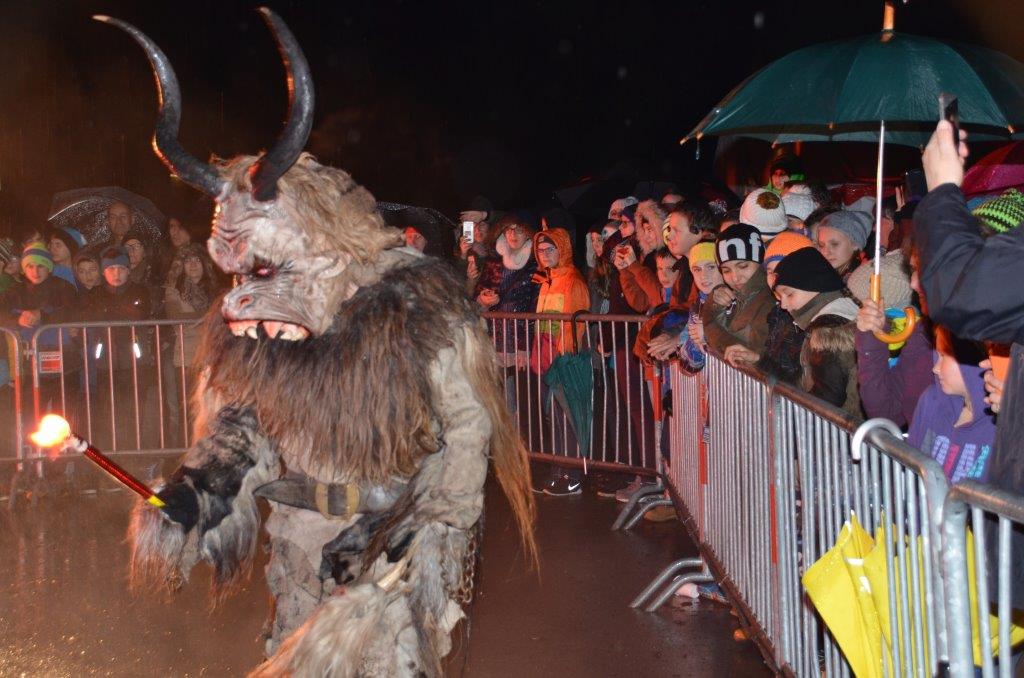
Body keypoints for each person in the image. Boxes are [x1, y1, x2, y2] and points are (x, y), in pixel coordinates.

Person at [529, 228, 590, 496]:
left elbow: (574, 326)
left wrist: (562, 358)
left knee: (568, 416)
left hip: (563, 360)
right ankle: (558, 470)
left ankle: (572, 474)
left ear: (562, 249)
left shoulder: (573, 281)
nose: (544, 255)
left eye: (550, 249)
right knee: (553, 416)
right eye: (540, 250)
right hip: (547, 358)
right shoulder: (547, 280)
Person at [772, 247, 861, 415]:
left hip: (843, 426)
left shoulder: (828, 331)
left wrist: (788, 412)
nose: (783, 305)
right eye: (779, 297)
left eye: (789, 294)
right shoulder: (845, 310)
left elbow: (827, 396)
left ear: (814, 285)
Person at [849, 250, 932, 428]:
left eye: (924, 270)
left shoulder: (981, 341)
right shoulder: (922, 335)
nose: (913, 283)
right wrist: (871, 337)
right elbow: (887, 414)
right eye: (913, 270)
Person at [908, 327, 995, 484]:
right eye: (937, 355)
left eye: (943, 356)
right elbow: (908, 470)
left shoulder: (999, 425)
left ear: (969, 360)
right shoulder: (931, 401)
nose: (935, 368)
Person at [162, 243, 221, 445]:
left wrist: (202, 316)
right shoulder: (174, 291)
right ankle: (185, 448)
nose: (193, 264)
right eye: (188, 261)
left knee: (212, 408)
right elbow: (175, 317)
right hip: (186, 357)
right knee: (187, 408)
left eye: (197, 260)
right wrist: (209, 314)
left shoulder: (214, 290)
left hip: (211, 356)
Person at [702, 224, 774, 367]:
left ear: (761, 262)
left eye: (743, 266)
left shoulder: (771, 299)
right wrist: (715, 304)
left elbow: (754, 353)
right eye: (726, 270)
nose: (735, 278)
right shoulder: (732, 296)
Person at [755, 231, 815, 384]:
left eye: (782, 270)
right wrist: (756, 359)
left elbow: (804, 382)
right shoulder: (778, 312)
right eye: (770, 272)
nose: (775, 279)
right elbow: (778, 365)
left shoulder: (815, 319)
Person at [816, 210, 872, 281]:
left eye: (834, 244)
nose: (825, 252)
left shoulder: (863, 280)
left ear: (855, 244)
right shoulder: (824, 274)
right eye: (821, 245)